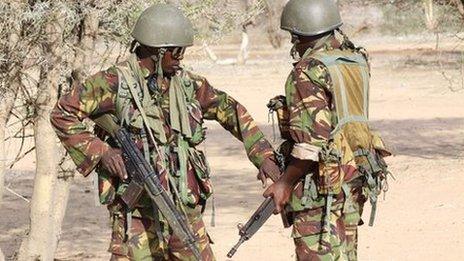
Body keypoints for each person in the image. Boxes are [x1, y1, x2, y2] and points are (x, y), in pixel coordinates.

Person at [50, 4, 280, 260]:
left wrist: (263, 155)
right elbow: (62, 112)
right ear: (158, 52)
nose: (180, 57)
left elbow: (232, 111)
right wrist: (102, 151)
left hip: (182, 207)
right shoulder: (114, 83)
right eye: (176, 52)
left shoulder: (188, 85)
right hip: (135, 215)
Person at [263, 0, 391, 260]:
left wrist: (284, 183)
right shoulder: (356, 59)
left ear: (301, 35)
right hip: (355, 175)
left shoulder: (309, 70)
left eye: (293, 37)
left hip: (321, 186)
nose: (292, 44)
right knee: (345, 254)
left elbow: (311, 145)